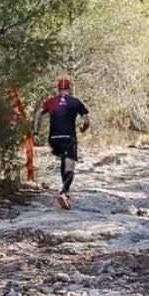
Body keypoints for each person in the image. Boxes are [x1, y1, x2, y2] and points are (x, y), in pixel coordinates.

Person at [32, 76, 90, 209]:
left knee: (64, 160)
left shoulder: (51, 102)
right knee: (70, 165)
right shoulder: (75, 102)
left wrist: (35, 132)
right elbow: (86, 121)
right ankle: (64, 192)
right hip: (68, 138)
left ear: (58, 89)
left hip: (53, 139)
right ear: (69, 89)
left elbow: (38, 114)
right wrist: (83, 129)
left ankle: (66, 194)